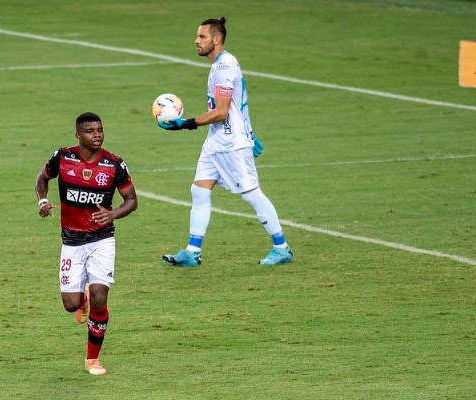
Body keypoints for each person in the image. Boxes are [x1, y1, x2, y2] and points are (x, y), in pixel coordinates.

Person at [158, 17, 293, 267]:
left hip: (231, 144)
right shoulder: (219, 65)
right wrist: (251, 133)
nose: (196, 41)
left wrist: (186, 123)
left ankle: (281, 247)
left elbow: (221, 112)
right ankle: (192, 251)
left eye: (202, 37)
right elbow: (239, 105)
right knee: (199, 190)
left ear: (216, 39)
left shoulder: (224, 68)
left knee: (252, 193)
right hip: (216, 141)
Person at [35, 112, 138, 375]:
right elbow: (42, 179)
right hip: (71, 241)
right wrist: (43, 202)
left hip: (102, 239)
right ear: (78, 135)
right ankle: (81, 299)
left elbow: (131, 201)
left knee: (100, 297)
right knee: (70, 304)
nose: (97, 135)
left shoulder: (114, 164)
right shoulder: (63, 157)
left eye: (100, 130)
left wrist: (112, 214)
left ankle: (92, 359)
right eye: (91, 131)